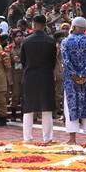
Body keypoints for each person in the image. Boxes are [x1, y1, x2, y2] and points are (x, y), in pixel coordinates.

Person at [59, 17, 86, 145]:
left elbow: (65, 61)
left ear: (74, 26)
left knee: (71, 107)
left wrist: (76, 75)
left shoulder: (65, 42)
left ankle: (72, 138)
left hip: (71, 80)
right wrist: (85, 74)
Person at [20, 16, 57, 144]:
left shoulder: (26, 41)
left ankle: (27, 138)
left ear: (33, 24)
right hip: (46, 76)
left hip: (30, 77)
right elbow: (53, 61)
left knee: (28, 108)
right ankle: (47, 138)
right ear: (44, 24)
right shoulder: (51, 41)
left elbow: (23, 61)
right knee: (46, 108)